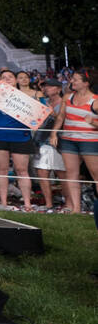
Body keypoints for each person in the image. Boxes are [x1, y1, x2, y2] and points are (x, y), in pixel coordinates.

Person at [0, 69, 36, 210]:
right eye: (4, 77)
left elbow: (35, 117)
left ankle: (27, 203)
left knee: (22, 170)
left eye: (10, 77)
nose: (7, 79)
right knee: (2, 169)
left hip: (20, 136)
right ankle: (3, 203)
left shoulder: (26, 97)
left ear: (16, 80)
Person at [52, 67, 98, 214]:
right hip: (68, 140)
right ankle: (76, 209)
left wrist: (93, 122)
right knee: (71, 174)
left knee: (96, 174)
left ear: (86, 83)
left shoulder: (95, 101)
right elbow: (60, 117)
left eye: (75, 79)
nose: (71, 81)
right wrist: (53, 133)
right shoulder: (67, 97)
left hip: (90, 141)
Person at [33, 78, 66, 210]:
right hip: (40, 141)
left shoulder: (64, 103)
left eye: (50, 86)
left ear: (58, 89)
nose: (46, 88)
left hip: (58, 142)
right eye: (45, 86)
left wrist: (53, 114)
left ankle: (69, 203)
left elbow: (64, 120)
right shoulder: (42, 103)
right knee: (41, 172)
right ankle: (48, 203)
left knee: (62, 173)